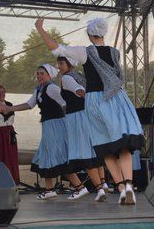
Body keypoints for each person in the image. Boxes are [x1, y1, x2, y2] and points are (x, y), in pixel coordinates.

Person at [35, 18, 144, 205]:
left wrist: (40, 29)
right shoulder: (115, 53)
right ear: (103, 33)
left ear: (89, 33)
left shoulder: (85, 52)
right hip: (117, 98)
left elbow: (57, 49)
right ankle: (126, 185)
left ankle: (119, 187)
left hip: (97, 100)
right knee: (123, 144)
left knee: (105, 146)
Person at [2, 64, 69, 200]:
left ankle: (80, 187)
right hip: (48, 125)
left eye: (42, 73)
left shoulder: (52, 88)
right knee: (45, 155)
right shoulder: (39, 89)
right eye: (37, 73)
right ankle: (50, 189)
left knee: (57, 155)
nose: (39, 76)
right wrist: (10, 109)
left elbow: (66, 103)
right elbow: (29, 104)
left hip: (56, 125)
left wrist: (67, 122)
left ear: (49, 75)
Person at [56, 56, 106, 202]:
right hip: (85, 116)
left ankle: (97, 189)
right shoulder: (80, 76)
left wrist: (90, 100)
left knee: (84, 152)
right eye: (58, 64)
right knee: (91, 151)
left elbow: (79, 91)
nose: (59, 66)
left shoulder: (67, 78)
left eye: (61, 63)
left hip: (76, 118)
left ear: (69, 63)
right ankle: (102, 185)